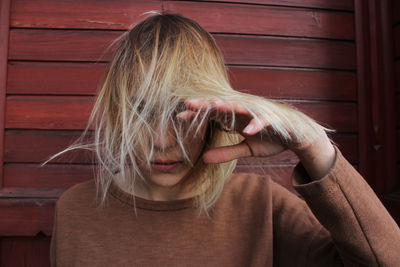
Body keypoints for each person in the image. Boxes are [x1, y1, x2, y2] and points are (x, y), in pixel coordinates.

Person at [47, 12, 400, 266]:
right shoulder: (75, 209)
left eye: (182, 113)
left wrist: (313, 144)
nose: (163, 141)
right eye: (141, 112)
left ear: (214, 116)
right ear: (117, 110)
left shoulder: (261, 206)